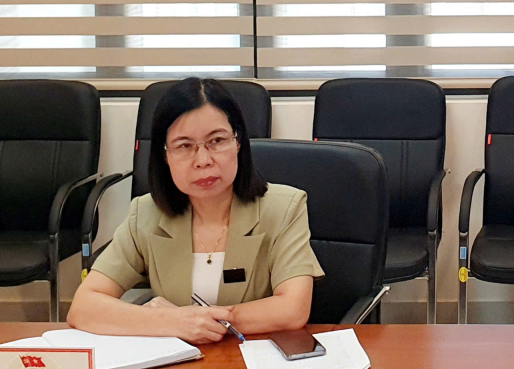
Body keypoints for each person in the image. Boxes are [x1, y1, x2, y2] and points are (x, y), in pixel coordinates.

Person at [68, 78, 324, 343]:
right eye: (184, 146)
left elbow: (293, 310)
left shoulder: (284, 208)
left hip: (256, 363)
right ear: (165, 155)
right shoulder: (145, 215)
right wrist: (172, 322)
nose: (203, 161)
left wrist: (199, 321)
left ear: (238, 142)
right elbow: (83, 307)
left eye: (217, 140)